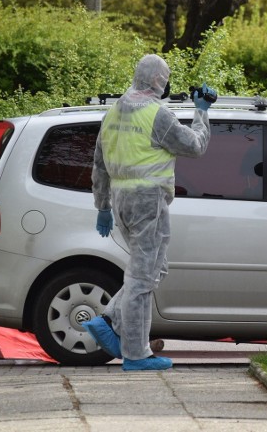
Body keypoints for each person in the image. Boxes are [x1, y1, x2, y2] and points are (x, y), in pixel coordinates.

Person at [85, 54, 214, 371]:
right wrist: (201, 111)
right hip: (148, 201)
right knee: (143, 277)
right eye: (166, 78)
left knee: (153, 268)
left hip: (121, 199)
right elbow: (195, 146)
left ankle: (108, 321)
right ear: (158, 80)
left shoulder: (112, 112)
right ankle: (136, 353)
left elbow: (99, 165)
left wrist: (102, 207)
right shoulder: (158, 115)